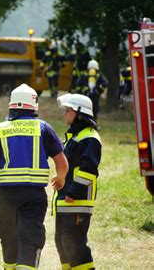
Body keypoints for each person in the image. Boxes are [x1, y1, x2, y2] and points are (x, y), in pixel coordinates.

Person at [0, 83, 68, 269]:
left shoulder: (1, 129)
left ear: (11, 105)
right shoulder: (44, 128)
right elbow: (61, 161)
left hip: (5, 195)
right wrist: (60, 176)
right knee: (31, 237)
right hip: (33, 195)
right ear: (34, 106)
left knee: (8, 236)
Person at [55, 93, 102, 269]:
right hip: (66, 200)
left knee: (75, 246)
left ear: (80, 113)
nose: (64, 114)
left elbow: (89, 170)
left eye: (68, 111)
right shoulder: (76, 135)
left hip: (76, 200)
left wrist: (73, 192)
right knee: (63, 244)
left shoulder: (89, 137)